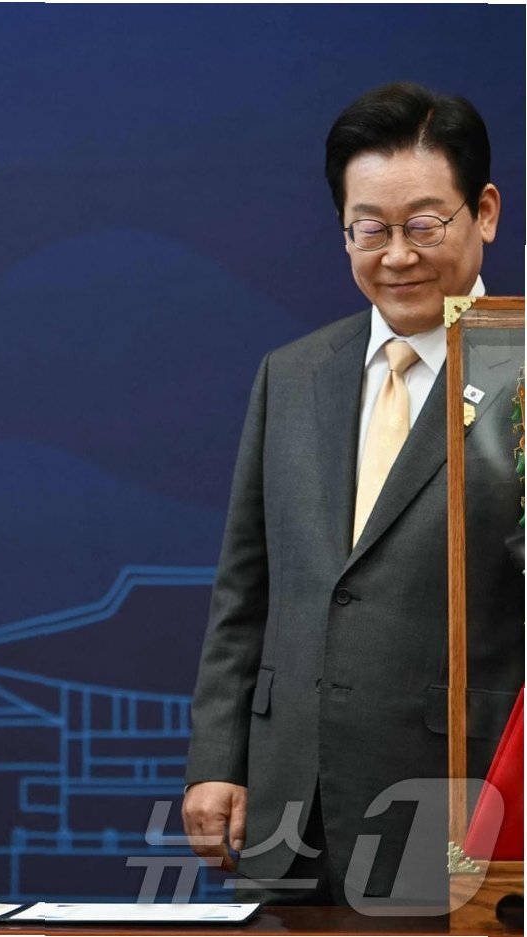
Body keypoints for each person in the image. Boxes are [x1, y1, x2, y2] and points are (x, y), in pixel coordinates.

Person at [182, 82, 523, 905]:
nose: (396, 255)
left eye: (423, 225)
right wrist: (218, 761)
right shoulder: (292, 374)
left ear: (484, 213)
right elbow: (245, 591)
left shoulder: (519, 366)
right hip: (287, 802)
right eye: (369, 229)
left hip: (459, 798)